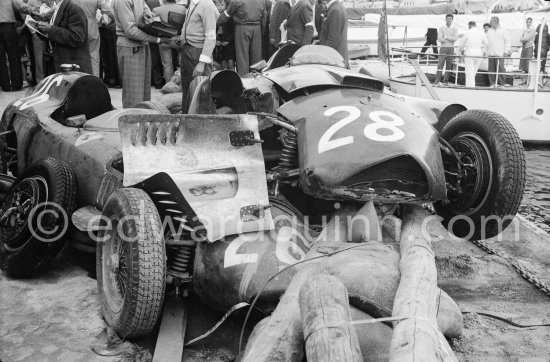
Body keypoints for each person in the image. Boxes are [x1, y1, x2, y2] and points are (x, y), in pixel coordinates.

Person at [111, 0, 171, 108]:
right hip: (130, 47)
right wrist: (157, 39)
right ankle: (131, 123)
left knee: (144, 93)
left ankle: (142, 121)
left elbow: (148, 14)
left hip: (142, 45)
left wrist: (150, 19)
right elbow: (130, 31)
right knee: (133, 96)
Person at [172, 0, 219, 112]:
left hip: (198, 53)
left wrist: (201, 63)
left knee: (201, 92)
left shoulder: (206, 5)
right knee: (188, 89)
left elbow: (211, 37)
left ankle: (203, 123)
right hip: (188, 50)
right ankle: (186, 118)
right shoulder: (194, 3)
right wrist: (181, 39)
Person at [36, 0, 94, 74]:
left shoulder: (74, 9)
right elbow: (55, 36)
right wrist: (41, 31)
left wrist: (50, 29)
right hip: (60, 65)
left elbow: (77, 38)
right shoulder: (57, 9)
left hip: (73, 68)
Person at [221, 0, 266, 76]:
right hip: (257, 27)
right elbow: (264, 17)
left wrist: (216, 22)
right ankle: (256, 79)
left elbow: (226, 14)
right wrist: (262, 31)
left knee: (242, 56)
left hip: (242, 27)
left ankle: (244, 79)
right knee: (256, 56)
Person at [72, 0, 110, 77]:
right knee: (94, 58)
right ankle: (95, 82)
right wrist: (115, 19)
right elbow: (106, 9)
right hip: (92, 28)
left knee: (77, 58)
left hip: (77, 28)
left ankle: (80, 81)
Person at [153, 0, 186, 83]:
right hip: (179, 39)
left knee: (167, 64)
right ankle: (182, 84)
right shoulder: (183, 9)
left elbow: (154, 26)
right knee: (182, 62)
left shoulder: (156, 10)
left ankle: (170, 85)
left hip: (164, 40)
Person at [1, 0, 30, 92]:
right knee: (14, 56)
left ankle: (5, 86)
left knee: (0, 59)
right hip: (8, 27)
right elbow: (21, 6)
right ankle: (16, 85)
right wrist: (32, 9)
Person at [319, 0, 347, 66]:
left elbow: (333, 39)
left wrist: (324, 58)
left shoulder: (335, 10)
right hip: (336, 58)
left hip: (334, 60)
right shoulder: (336, 7)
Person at [98, 0, 119, 87]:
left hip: (107, 33)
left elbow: (106, 21)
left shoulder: (107, 6)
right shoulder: (109, 5)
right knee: (109, 57)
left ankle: (111, 79)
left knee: (108, 57)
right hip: (109, 33)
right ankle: (111, 79)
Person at [459, 21, 487, 87]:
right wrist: (484, 51)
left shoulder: (467, 33)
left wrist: (462, 51)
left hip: (470, 52)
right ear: (475, 25)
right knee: (474, 70)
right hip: (478, 53)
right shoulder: (481, 33)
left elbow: (461, 44)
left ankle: (470, 86)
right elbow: (486, 43)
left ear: (469, 26)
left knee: (469, 70)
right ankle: (472, 85)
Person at [433, 14, 458, 86]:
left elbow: (455, 39)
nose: (449, 20)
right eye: (447, 19)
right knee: (440, 64)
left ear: (452, 20)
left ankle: (445, 81)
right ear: (445, 19)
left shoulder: (455, 29)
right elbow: (439, 39)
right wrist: (450, 39)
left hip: (451, 48)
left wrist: (446, 37)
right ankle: (437, 81)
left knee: (449, 65)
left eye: (450, 19)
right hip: (443, 48)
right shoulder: (441, 28)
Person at [486, 16, 510, 87]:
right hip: (491, 53)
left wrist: (506, 51)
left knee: (501, 69)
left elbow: (507, 41)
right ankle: (492, 83)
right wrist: (484, 51)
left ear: (496, 22)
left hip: (500, 53)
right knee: (491, 70)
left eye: (491, 21)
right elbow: (486, 42)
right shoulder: (489, 31)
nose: (490, 23)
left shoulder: (503, 30)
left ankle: (502, 83)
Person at [212, 0, 235, 70]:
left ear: (226, 6)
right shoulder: (213, 17)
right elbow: (212, 31)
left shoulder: (230, 18)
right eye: (218, 5)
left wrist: (229, 41)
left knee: (231, 62)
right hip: (219, 41)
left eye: (222, 5)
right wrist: (215, 41)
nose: (220, 7)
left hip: (228, 42)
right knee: (222, 63)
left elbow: (233, 31)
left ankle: (234, 77)